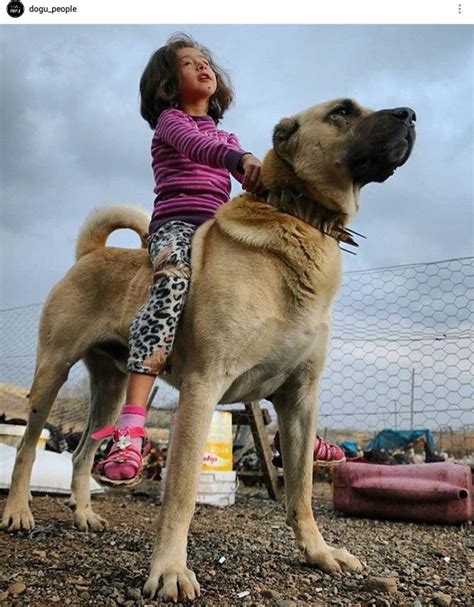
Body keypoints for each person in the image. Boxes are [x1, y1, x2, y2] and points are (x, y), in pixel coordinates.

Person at [92, 33, 346, 485]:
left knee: (251, 314)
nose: (203, 67)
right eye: (189, 63)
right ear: (167, 85)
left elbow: (246, 170)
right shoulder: (172, 123)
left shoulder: (224, 133)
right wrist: (240, 159)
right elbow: (202, 148)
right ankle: (130, 428)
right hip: (175, 228)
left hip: (216, 234)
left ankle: (286, 432)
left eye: (206, 61)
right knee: (169, 284)